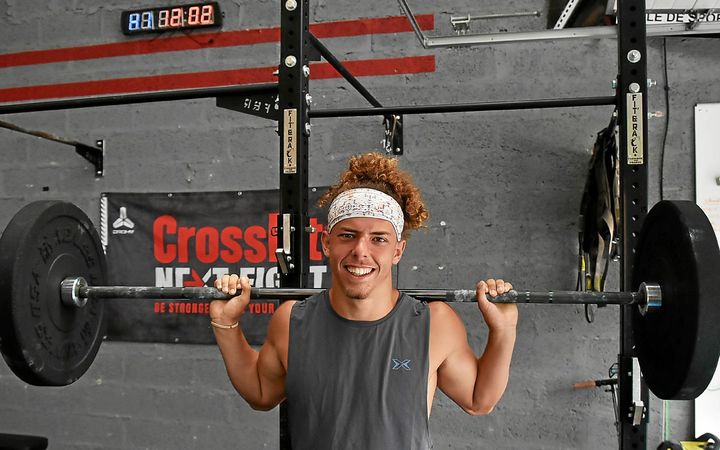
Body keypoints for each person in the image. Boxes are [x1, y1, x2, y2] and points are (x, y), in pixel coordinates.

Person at [211, 152, 518, 449]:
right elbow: (261, 393)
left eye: (378, 239)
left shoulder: (434, 323)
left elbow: (479, 401)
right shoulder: (292, 320)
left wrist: (503, 331)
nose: (361, 250)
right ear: (327, 243)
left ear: (397, 251)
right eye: (347, 235)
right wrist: (225, 324)